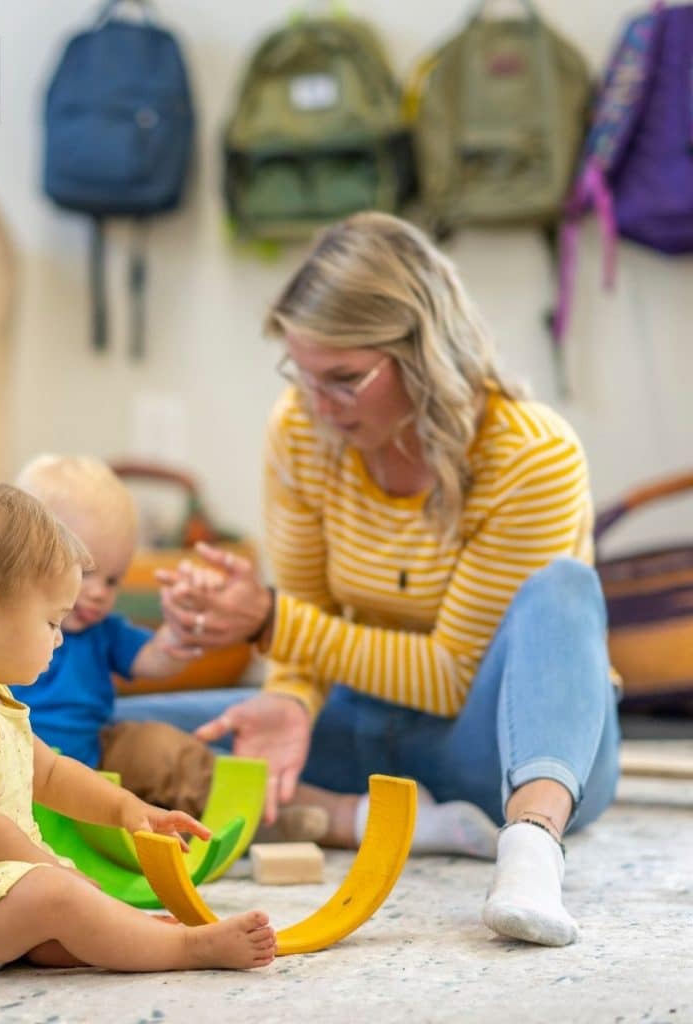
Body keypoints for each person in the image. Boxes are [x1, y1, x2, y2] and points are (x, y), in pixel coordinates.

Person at [149, 212, 620, 948]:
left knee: (564, 589)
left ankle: (529, 848)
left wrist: (268, 621)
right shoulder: (302, 428)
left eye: (343, 380)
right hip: (366, 731)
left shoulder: (533, 455)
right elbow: (306, 613)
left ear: (426, 356)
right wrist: (288, 700)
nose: (316, 404)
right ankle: (362, 818)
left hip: (497, 747)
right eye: (301, 374)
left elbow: (451, 676)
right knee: (98, 727)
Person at [0, 482, 275, 977]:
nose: (60, 637)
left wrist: (130, 810)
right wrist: (56, 872)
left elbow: (48, 774)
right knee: (58, 894)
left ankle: (140, 936)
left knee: (72, 913)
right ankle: (188, 951)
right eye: (51, 622)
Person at [14, 454, 326, 840]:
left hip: (97, 759)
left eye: (113, 581)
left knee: (161, 747)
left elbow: (153, 660)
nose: (98, 594)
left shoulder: (103, 631)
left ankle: (255, 821)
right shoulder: (10, 630)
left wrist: (178, 636)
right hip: (20, 773)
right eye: (86, 573)